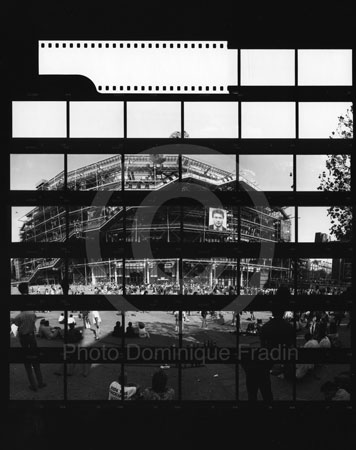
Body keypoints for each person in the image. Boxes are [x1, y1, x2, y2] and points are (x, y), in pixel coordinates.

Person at [242, 287, 294, 402]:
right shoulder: (288, 328)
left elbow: (264, 346)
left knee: (254, 393)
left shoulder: (266, 328)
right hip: (260, 366)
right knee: (266, 393)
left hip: (254, 363)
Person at [11, 283, 46, 391]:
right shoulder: (32, 314)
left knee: (27, 362)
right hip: (32, 337)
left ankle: (33, 385)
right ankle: (40, 382)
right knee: (35, 360)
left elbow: (14, 325)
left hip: (24, 338)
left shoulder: (19, 316)